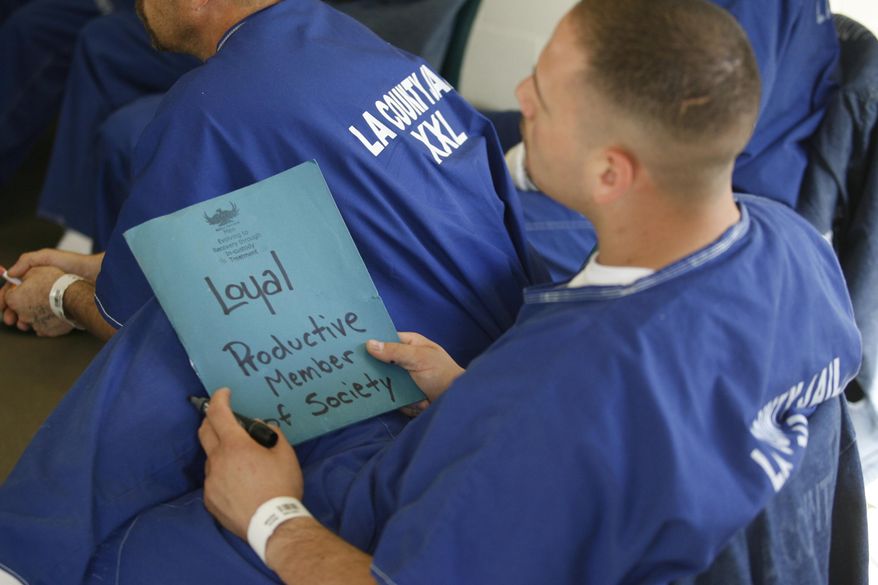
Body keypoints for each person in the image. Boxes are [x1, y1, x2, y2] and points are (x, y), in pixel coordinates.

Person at [0, 0, 863, 583]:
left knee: (117, 540)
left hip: (380, 526)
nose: (515, 98)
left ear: (612, 169)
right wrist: (466, 390)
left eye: (546, 101)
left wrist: (270, 514)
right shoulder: (790, 247)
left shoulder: (563, 404)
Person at [0, 0, 540, 358]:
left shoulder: (206, 110)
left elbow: (129, 326)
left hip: (400, 403)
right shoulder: (355, 40)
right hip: (510, 346)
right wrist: (101, 266)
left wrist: (60, 296)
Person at [33, 0, 467, 250]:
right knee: (106, 42)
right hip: (267, 24)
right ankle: (85, 226)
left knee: (132, 132)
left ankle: (126, 298)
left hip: (331, 49)